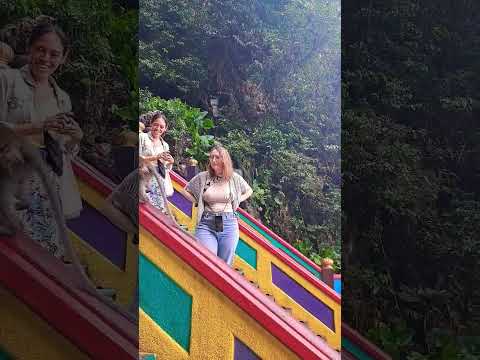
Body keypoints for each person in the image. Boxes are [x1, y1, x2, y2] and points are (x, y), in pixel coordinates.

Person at [0, 22, 83, 258]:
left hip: (47, 188)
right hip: (9, 182)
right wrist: (36, 127)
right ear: (30, 49)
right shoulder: (7, 80)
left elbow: (63, 155)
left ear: (64, 58)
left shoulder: (63, 99)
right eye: (40, 50)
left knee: (44, 259)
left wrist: (75, 139)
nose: (46, 58)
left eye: (54, 54)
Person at [183, 145, 253, 266]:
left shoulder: (233, 178)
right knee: (207, 260)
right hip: (207, 223)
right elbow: (186, 190)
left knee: (224, 265)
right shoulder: (203, 177)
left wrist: (238, 199)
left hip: (228, 223)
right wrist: (198, 201)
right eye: (211, 157)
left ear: (224, 159)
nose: (213, 160)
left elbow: (249, 190)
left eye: (217, 157)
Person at [139, 112, 174, 210]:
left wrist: (170, 162)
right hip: (143, 176)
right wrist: (155, 157)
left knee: (157, 210)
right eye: (156, 125)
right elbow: (136, 157)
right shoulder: (143, 137)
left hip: (158, 182)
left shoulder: (165, 145)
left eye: (162, 127)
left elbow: (165, 169)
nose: (158, 129)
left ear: (165, 129)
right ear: (151, 123)